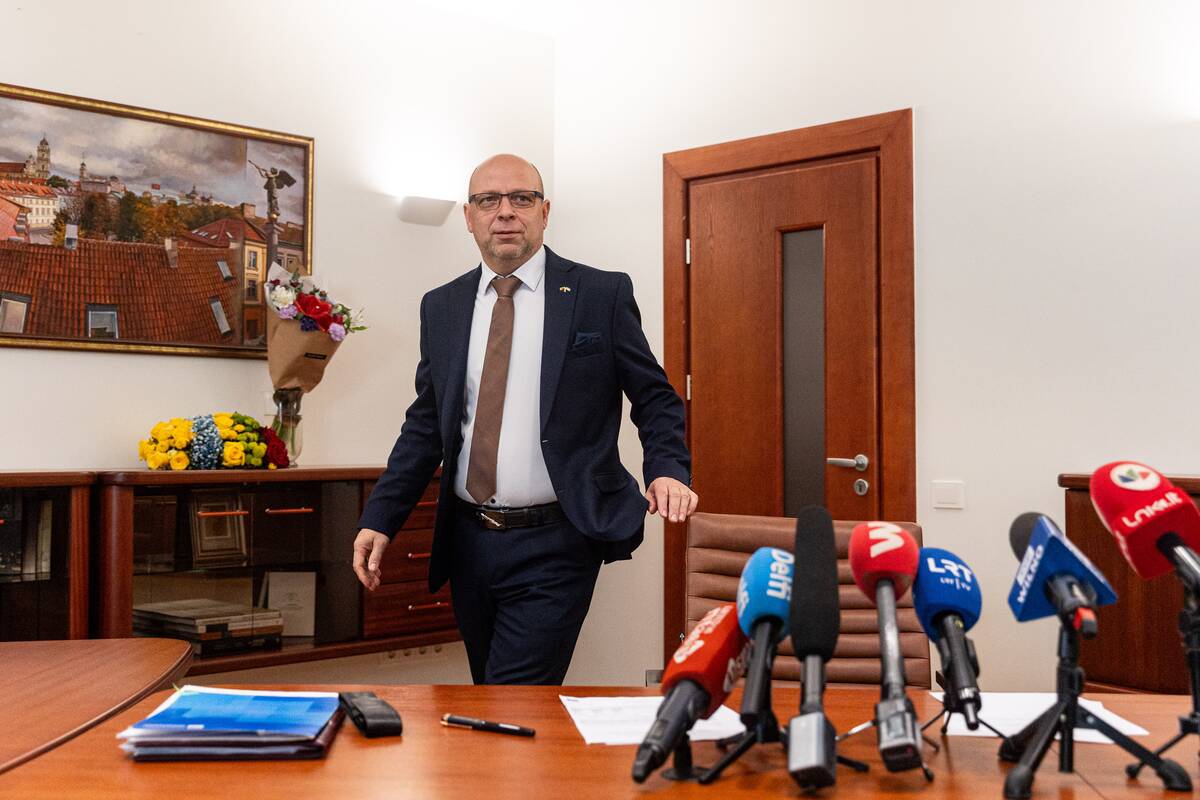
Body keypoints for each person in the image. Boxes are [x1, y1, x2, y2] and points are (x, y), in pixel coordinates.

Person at [352, 154, 697, 685]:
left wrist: (667, 468)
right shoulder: (442, 306)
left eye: (522, 198)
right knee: (491, 694)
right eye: (489, 200)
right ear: (469, 217)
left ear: (544, 211)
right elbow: (425, 425)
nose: (506, 212)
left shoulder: (599, 294)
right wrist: (380, 517)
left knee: (511, 694)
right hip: (468, 541)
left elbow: (654, 396)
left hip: (557, 541)